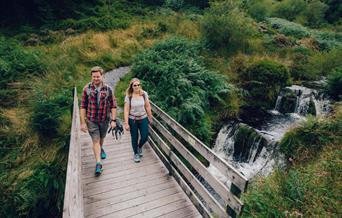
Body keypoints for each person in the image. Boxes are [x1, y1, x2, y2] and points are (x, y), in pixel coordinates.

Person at [80, 66, 117, 176]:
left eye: (98, 76)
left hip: (104, 119)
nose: (96, 78)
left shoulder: (108, 89)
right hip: (91, 120)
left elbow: (113, 105)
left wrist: (113, 120)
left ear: (102, 76)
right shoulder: (86, 89)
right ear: (91, 76)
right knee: (95, 141)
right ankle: (98, 163)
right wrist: (83, 123)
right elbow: (83, 106)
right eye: (94, 76)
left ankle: (101, 149)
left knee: (101, 138)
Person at [124, 78, 152, 163]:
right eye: (135, 85)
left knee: (144, 137)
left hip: (143, 118)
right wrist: (126, 123)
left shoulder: (144, 94)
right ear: (132, 86)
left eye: (138, 85)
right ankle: (136, 153)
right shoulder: (129, 96)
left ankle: (139, 147)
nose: (137, 86)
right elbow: (126, 110)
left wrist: (150, 117)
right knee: (134, 137)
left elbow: (147, 106)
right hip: (133, 120)